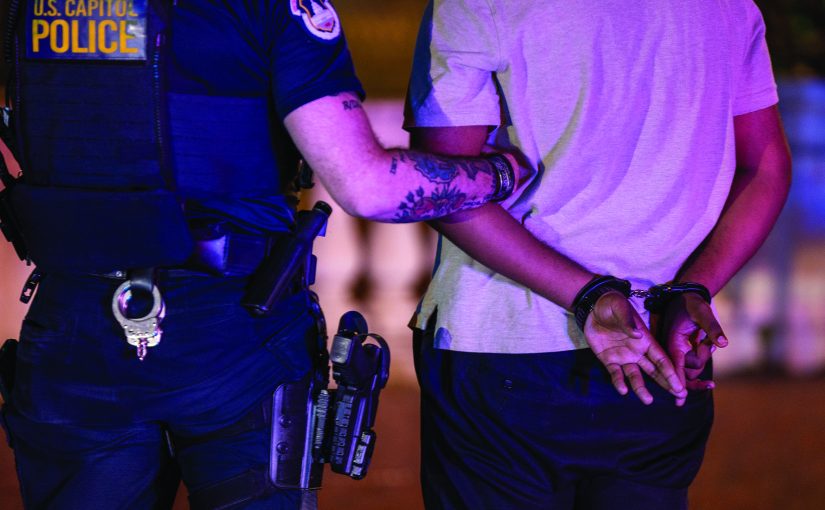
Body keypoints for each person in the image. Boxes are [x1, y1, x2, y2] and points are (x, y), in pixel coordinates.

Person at [0, 1, 523, 509]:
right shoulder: (273, 8)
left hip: (72, 328)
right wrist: (500, 174)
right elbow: (369, 188)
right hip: (237, 328)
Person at [405, 0, 792, 508]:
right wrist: (692, 289)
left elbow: (439, 185)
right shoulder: (732, 8)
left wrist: (589, 296)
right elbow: (766, 168)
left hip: (504, 347)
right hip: (660, 344)